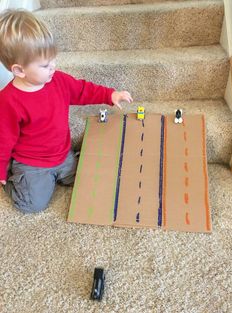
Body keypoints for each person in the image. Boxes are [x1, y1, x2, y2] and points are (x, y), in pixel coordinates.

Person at [0, 9, 133, 214]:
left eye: (53, 59)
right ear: (19, 70)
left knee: (91, 179)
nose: (53, 67)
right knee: (32, 205)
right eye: (45, 65)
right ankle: (15, 179)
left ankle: (60, 173)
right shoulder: (8, 100)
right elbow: (3, 139)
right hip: (33, 164)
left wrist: (110, 95)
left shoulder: (58, 80)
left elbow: (82, 90)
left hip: (63, 155)